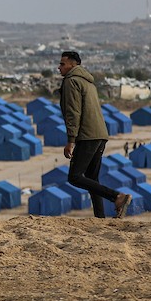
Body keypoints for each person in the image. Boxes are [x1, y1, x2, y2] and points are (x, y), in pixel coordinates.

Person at [59, 51, 131, 218]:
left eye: (63, 64)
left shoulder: (72, 81)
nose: (59, 67)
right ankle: (100, 217)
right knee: (92, 178)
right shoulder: (88, 81)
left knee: (75, 176)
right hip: (100, 134)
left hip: (87, 135)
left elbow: (73, 112)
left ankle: (117, 197)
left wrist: (71, 140)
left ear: (73, 65)